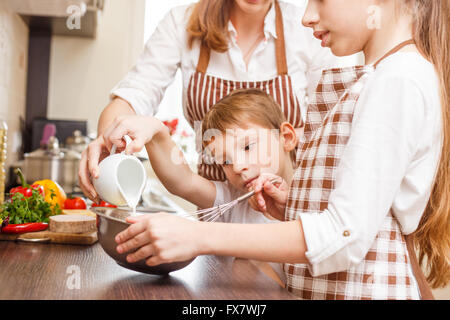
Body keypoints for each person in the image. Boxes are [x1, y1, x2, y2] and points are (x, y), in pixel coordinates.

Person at [112, 0, 449, 300]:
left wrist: (198, 235)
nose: (306, 15)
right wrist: (297, 205)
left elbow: (344, 234)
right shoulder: (381, 77)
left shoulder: (398, 80)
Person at [78, 0, 343, 201]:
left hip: (290, 205)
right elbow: (134, 97)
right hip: (215, 210)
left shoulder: (308, 28)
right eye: (227, 158)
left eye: (248, 147)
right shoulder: (182, 23)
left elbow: (336, 127)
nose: (240, 165)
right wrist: (109, 139)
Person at [104, 89, 297, 280]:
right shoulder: (233, 199)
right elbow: (183, 181)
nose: (237, 166)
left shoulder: (315, 197)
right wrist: (156, 130)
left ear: (286, 138)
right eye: (225, 162)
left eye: (247, 147)